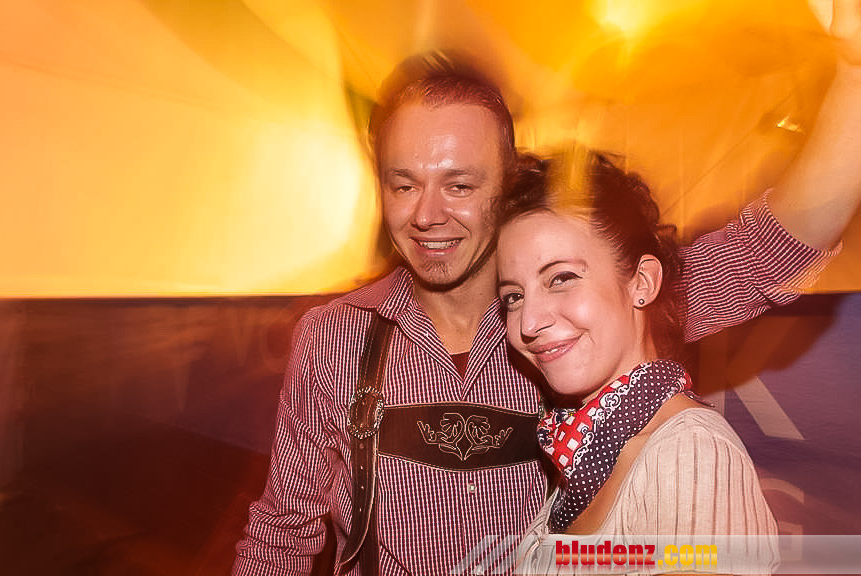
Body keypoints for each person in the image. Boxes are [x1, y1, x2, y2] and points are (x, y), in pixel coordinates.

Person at [233, 2, 861, 572]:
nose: (426, 214)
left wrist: (853, 77)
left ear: (506, 183)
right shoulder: (333, 338)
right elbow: (281, 536)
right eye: (404, 184)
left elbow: (769, 252)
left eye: (459, 185)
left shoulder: (585, 315)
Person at [500, 150, 779, 574]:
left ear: (642, 283)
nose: (529, 322)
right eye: (514, 297)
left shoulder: (689, 453)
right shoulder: (589, 446)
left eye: (561, 278)